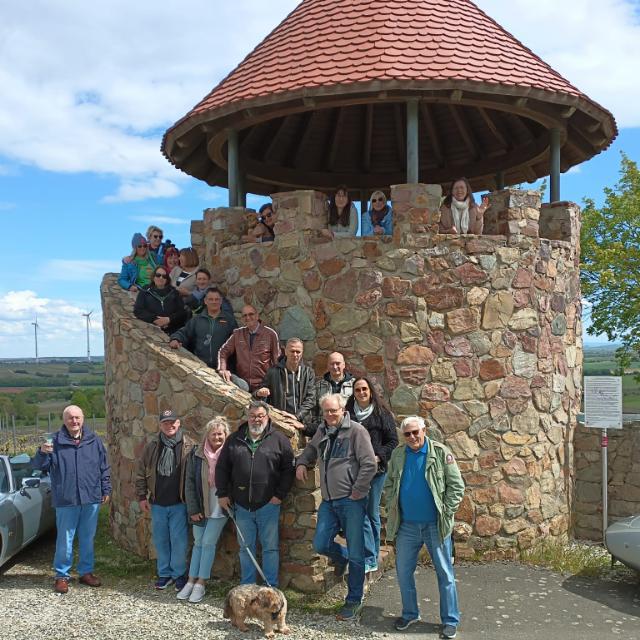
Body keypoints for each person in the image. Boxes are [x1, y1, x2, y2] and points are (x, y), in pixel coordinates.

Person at [296, 393, 377, 621]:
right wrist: (301, 462)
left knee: (357, 552)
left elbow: (369, 464)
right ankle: (342, 558)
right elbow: (311, 449)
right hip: (329, 501)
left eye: (334, 410)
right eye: (326, 411)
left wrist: (358, 490)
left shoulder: (356, 431)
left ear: (343, 410)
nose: (330, 414)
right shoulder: (322, 430)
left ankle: (353, 600)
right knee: (320, 543)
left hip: (351, 501)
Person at [383, 416, 465, 639]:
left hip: (435, 525)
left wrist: (447, 511)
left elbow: (457, 486)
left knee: (445, 574)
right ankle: (410, 614)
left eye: (415, 432)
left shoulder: (440, 453)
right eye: (407, 434)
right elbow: (389, 483)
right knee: (403, 572)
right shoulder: (398, 454)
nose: (412, 437)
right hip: (407, 526)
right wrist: (391, 503)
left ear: (424, 430)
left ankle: (450, 620)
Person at [31, 405, 111, 594]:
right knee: (65, 540)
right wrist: (42, 452)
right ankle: (62, 576)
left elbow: (104, 467)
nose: (74, 421)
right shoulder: (54, 442)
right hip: (66, 498)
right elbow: (39, 467)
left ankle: (85, 573)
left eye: (77, 417)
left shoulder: (94, 440)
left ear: (83, 419)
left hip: (91, 497)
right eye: (70, 418)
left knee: (87, 537)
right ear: (64, 420)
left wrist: (106, 488)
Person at [215, 401, 294, 587]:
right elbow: (222, 468)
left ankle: (270, 588)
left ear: (267, 417)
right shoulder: (234, 439)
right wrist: (222, 494)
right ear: (247, 417)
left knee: (270, 548)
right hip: (241, 505)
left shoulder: (279, 439)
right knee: (245, 548)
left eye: (260, 416)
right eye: (252, 416)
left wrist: (279, 495)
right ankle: (248, 587)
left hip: (269, 504)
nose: (256, 419)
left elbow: (288, 469)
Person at [136, 409, 195, 591]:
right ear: (160, 425)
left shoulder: (189, 446)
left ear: (179, 423)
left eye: (172, 422)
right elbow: (141, 471)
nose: (169, 426)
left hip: (179, 503)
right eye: (165, 423)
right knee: (161, 540)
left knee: (179, 541)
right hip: (158, 503)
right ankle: (164, 574)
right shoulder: (153, 446)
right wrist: (142, 496)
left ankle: (178, 574)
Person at [345, 377, 398, 574]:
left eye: (364, 389)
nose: (361, 393)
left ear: (370, 391)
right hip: (353, 471)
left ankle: (372, 554)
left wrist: (378, 456)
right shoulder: (347, 414)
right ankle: (363, 552)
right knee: (357, 513)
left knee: (371, 512)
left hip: (376, 472)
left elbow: (392, 441)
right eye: (358, 390)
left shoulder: (382, 413)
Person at [178, 417, 230, 603]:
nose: (217, 437)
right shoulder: (196, 454)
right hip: (200, 505)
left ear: (226, 435)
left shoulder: (230, 454)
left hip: (220, 506)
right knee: (198, 542)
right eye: (213, 434)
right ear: (207, 435)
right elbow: (189, 483)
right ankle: (190, 581)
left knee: (208, 542)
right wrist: (193, 509)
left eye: (220, 434)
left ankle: (201, 583)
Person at [254, 337, 316, 435]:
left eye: (298, 352)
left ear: (302, 352)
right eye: (292, 351)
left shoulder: (308, 373)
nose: (295, 354)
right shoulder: (273, 372)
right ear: (285, 351)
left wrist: (297, 416)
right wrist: (260, 392)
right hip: (279, 423)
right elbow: (258, 394)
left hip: (302, 423)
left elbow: (311, 399)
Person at [169, 287, 238, 369]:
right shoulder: (197, 320)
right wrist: (176, 339)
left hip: (223, 368)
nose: (214, 302)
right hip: (200, 366)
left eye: (217, 299)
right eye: (211, 299)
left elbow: (238, 341)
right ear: (205, 301)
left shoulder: (230, 320)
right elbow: (183, 332)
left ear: (221, 301)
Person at [217, 305, 280, 392]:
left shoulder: (270, 334)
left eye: (251, 314)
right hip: (243, 385)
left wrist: (274, 384)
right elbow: (224, 351)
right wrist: (222, 369)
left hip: (262, 385)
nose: (248, 317)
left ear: (257, 316)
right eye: (245, 315)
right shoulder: (238, 334)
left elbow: (276, 361)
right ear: (242, 319)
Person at [133, 266, 190, 334]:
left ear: (167, 279)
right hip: (151, 329)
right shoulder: (145, 290)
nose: (161, 278)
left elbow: (182, 312)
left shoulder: (174, 292)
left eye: (164, 276)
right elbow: (138, 310)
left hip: (173, 330)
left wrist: (169, 319)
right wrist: (155, 319)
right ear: (153, 277)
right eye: (158, 275)